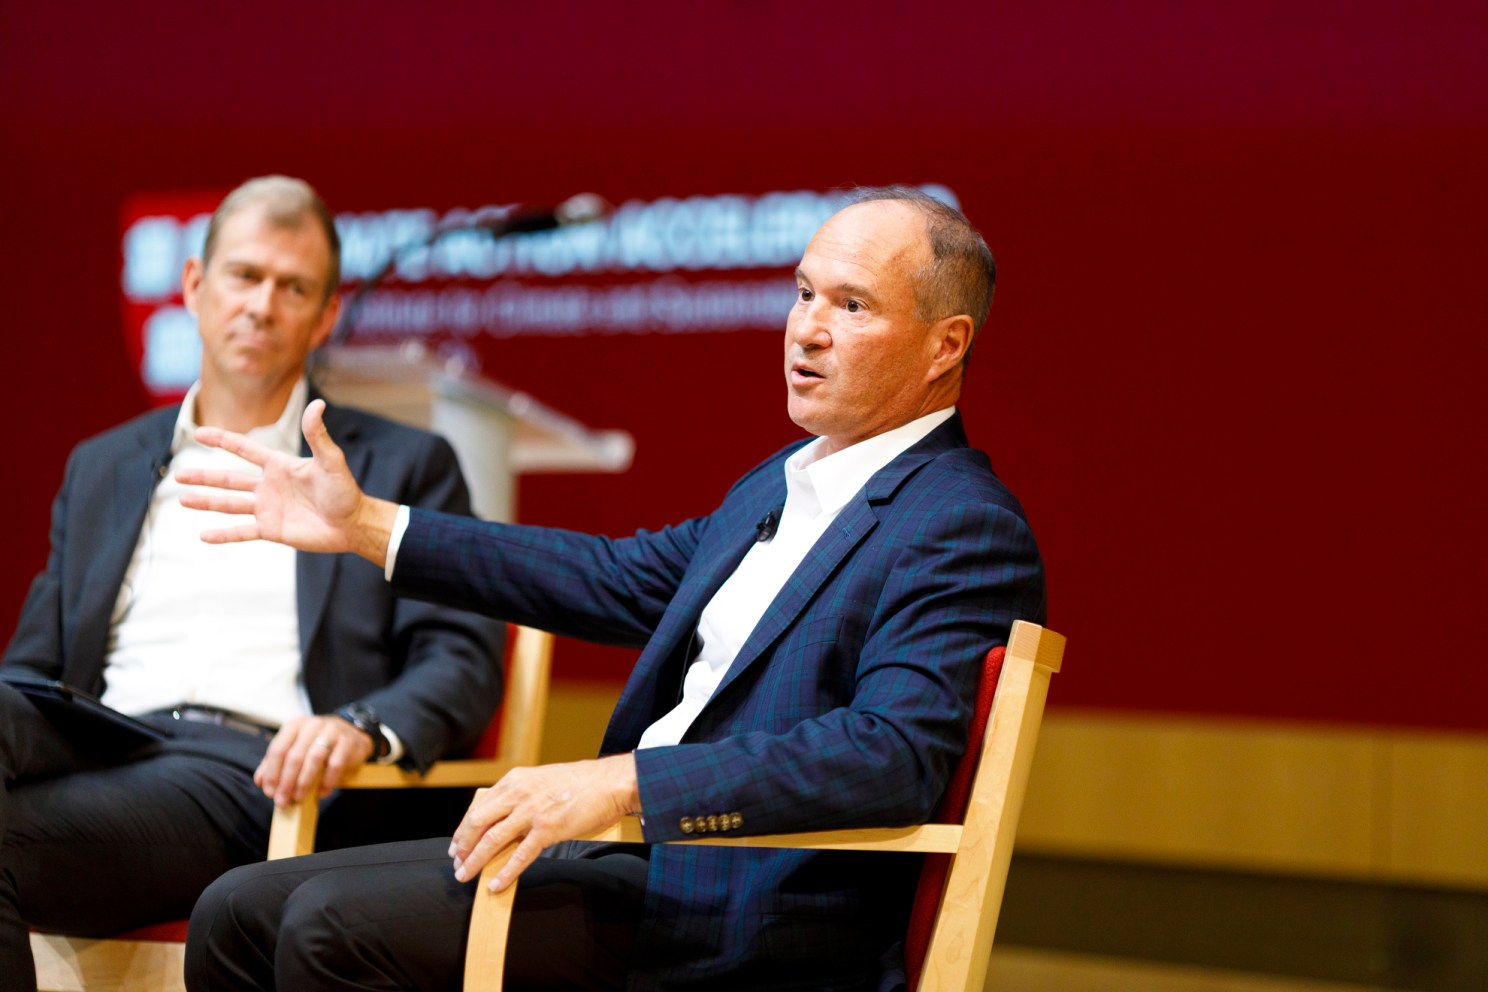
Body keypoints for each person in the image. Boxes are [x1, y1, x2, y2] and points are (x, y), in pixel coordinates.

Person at [180, 185, 1046, 991]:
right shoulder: (780, 483)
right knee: (236, 909)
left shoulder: (959, 522)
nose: (806, 329)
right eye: (803, 293)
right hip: (632, 863)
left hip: (740, 906)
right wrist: (366, 526)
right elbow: (608, 577)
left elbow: (887, 755)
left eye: (850, 306)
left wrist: (627, 782)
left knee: (326, 928)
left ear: (947, 344)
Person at [0, 176, 504, 991]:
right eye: (244, 276)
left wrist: (359, 725)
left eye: (293, 286)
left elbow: (463, 661)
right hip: (99, 739)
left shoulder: (398, 466)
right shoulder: (103, 466)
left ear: (326, 314)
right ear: (195, 287)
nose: (263, 305)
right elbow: (31, 668)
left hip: (251, 772)